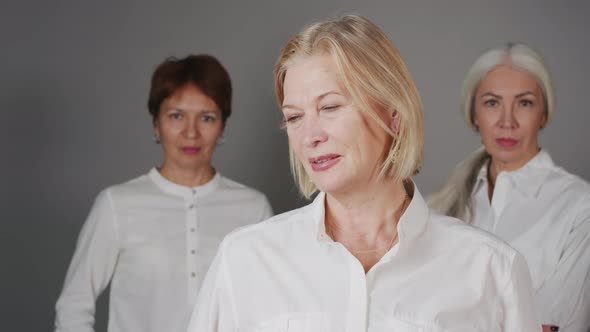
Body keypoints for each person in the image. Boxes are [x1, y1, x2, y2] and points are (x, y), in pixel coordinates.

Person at [187, 16, 540, 331]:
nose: (310, 136)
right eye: (295, 117)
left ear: (393, 115)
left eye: (329, 107)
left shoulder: (492, 269)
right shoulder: (245, 259)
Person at [54, 54, 273, 332]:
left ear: (222, 126)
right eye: (176, 116)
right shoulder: (117, 204)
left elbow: (267, 307)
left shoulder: (252, 209)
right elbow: (74, 304)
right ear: (156, 124)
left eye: (206, 117)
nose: (191, 133)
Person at [429, 43, 590, 331]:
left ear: (544, 114)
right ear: (474, 115)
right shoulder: (438, 208)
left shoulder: (580, 208)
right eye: (492, 103)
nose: (507, 121)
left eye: (524, 103)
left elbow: (556, 326)